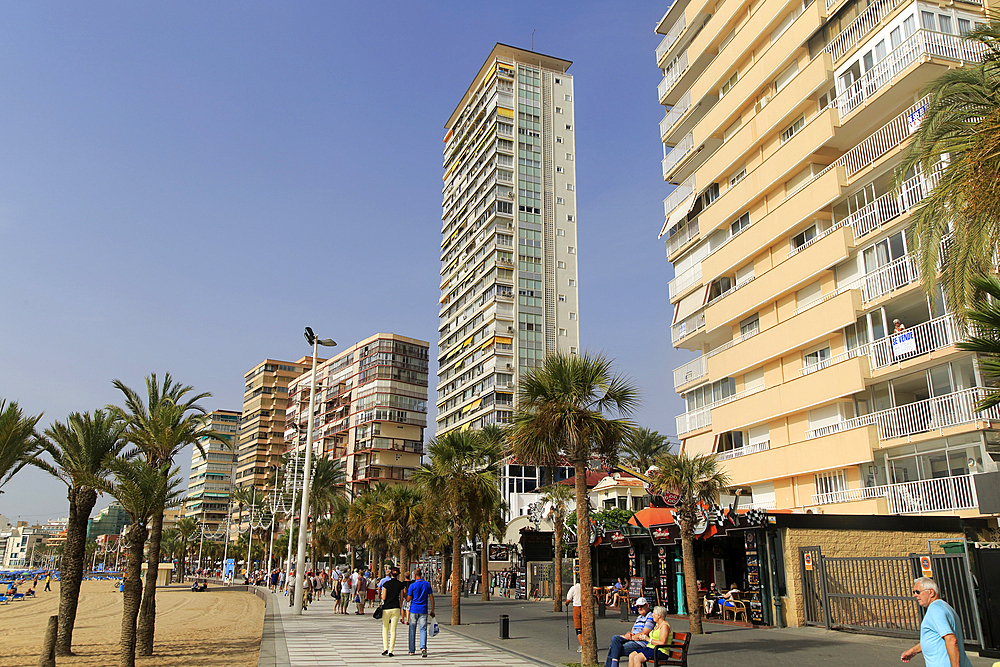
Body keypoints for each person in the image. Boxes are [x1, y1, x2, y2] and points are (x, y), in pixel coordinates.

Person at [901, 577, 973, 667]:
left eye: (918, 592)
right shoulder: (944, 607)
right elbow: (934, 639)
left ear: (931, 592)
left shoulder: (935, 610)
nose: (915, 595)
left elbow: (951, 640)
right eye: (914, 592)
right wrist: (913, 651)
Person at [605, 597, 655, 667]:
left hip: (640, 643)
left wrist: (630, 637)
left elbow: (644, 633)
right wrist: (628, 634)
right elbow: (632, 630)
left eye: (641, 606)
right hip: (632, 639)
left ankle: (614, 665)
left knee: (614, 649)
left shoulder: (650, 617)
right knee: (615, 638)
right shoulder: (639, 617)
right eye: (638, 607)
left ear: (647, 605)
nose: (639, 608)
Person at [407, 568, 435, 657]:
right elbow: (431, 597)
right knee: (423, 629)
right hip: (423, 609)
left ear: (414, 576)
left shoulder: (412, 586)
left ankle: (412, 650)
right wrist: (433, 609)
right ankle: (423, 647)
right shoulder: (427, 584)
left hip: (414, 609)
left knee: (412, 630)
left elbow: (408, 599)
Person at [381, 567, 406, 657]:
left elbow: (383, 597)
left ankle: (385, 648)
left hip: (386, 608)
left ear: (391, 574)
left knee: (385, 629)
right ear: (398, 574)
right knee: (393, 630)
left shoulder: (386, 584)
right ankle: (391, 650)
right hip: (396, 608)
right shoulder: (400, 585)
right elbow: (401, 597)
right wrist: (399, 606)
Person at [567, 580, 583, 652]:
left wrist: (566, 604)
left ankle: (582, 645)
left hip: (576, 608)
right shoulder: (584, 587)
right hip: (584, 608)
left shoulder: (573, 588)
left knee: (578, 627)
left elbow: (568, 599)